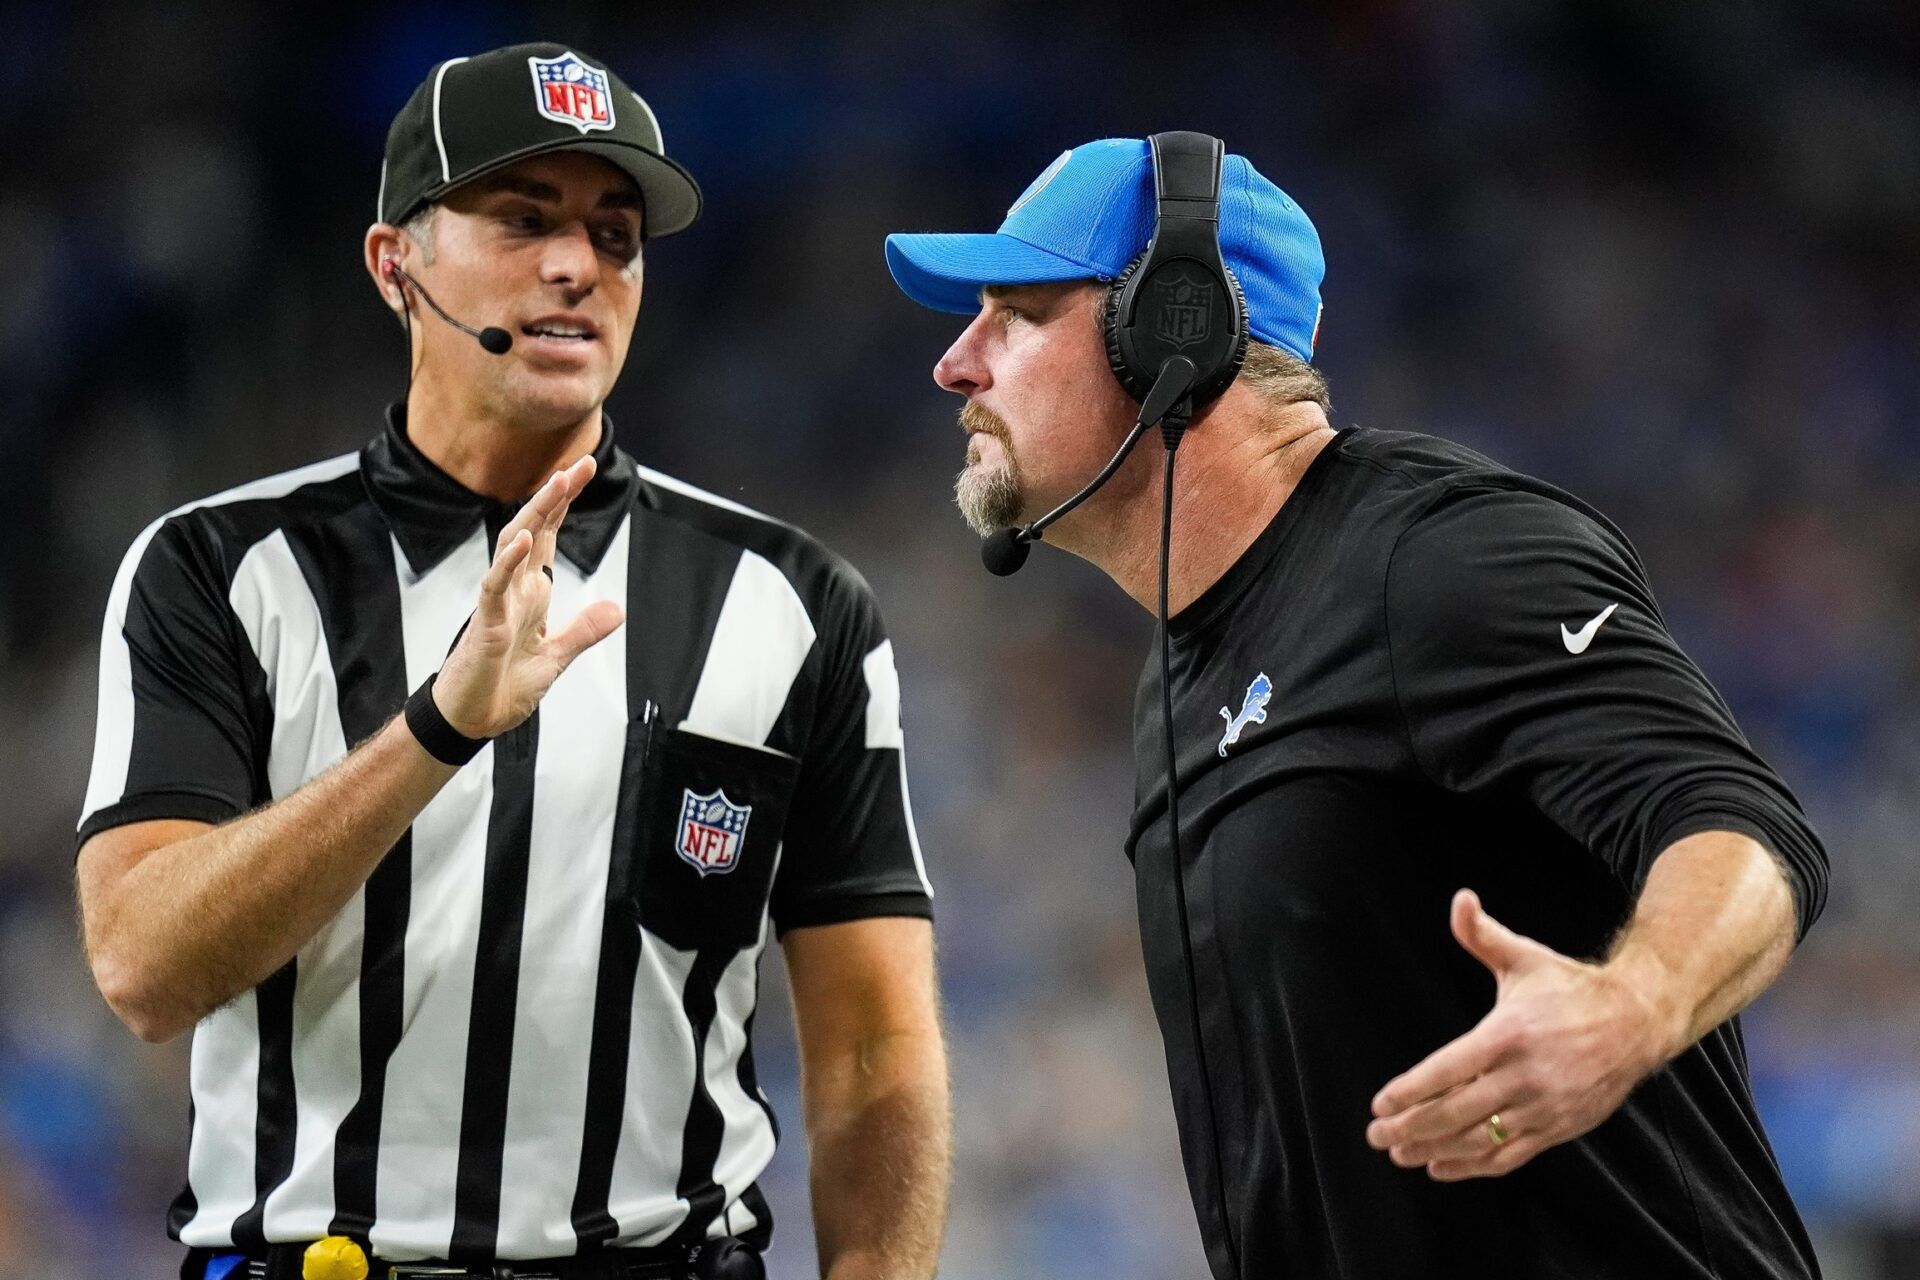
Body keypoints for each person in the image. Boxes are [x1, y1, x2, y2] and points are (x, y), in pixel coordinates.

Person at [76, 43, 948, 1280]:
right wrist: (439, 726)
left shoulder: (794, 601)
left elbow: (873, 1047)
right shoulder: (219, 568)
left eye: (615, 233)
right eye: (521, 218)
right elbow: (145, 968)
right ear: (396, 265)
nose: (577, 265)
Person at [884, 136, 1828, 1278]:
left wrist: (1633, 1002)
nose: (956, 361)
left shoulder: (1439, 559)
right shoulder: (1179, 681)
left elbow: (1741, 824)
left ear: (1173, 329)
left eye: (1017, 312)